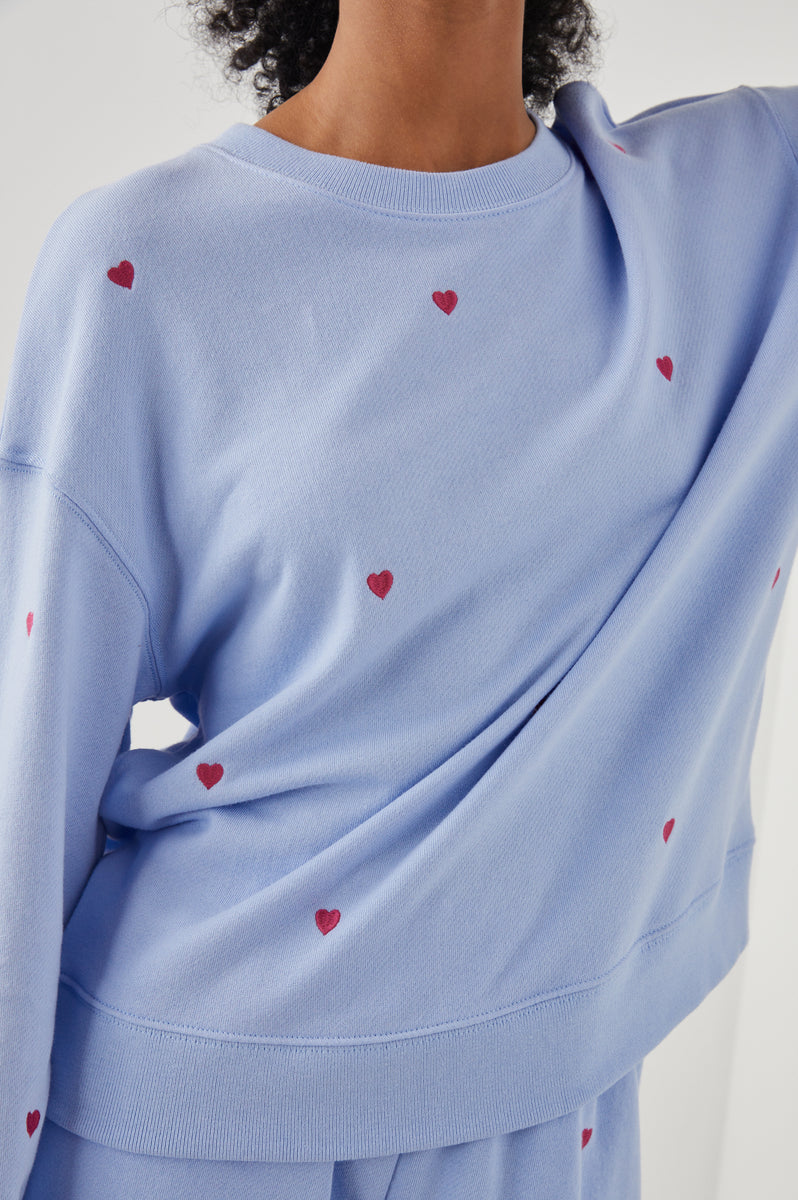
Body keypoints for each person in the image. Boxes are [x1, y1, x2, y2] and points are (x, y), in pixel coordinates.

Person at [3, 1, 797, 1197]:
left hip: (551, 1121)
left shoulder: (737, 209)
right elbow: (23, 783)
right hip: (192, 1128)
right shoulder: (141, 263)